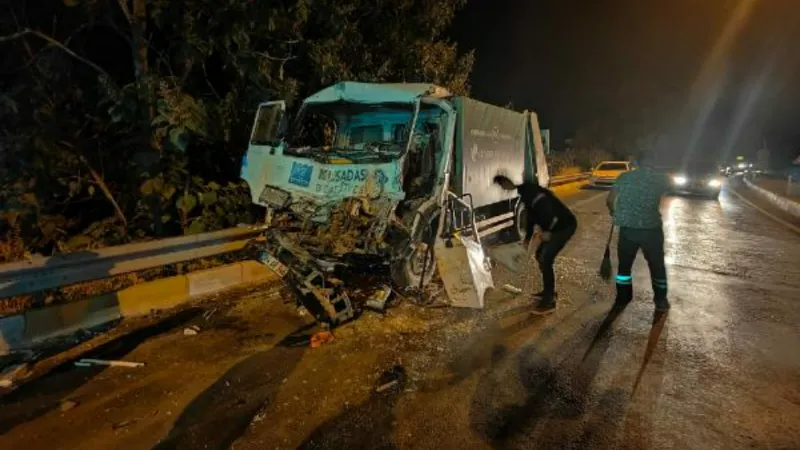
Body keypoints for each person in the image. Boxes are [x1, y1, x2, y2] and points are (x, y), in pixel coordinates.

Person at [494, 174, 578, 315]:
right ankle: (548, 292)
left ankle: (549, 301)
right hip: (557, 225)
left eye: (503, 185)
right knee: (540, 256)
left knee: (546, 259)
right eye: (502, 186)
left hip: (564, 226)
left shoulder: (533, 193)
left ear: (510, 181)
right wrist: (527, 238)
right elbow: (532, 217)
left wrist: (548, 232)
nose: (504, 189)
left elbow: (549, 213)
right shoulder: (525, 192)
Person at [606, 155, 671, 312]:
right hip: (651, 231)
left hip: (628, 230)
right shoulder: (661, 179)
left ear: (636, 163)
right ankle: (660, 300)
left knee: (624, 267)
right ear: (653, 163)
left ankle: (623, 297)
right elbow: (668, 191)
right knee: (657, 266)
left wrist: (614, 212)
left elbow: (610, 200)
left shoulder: (624, 177)